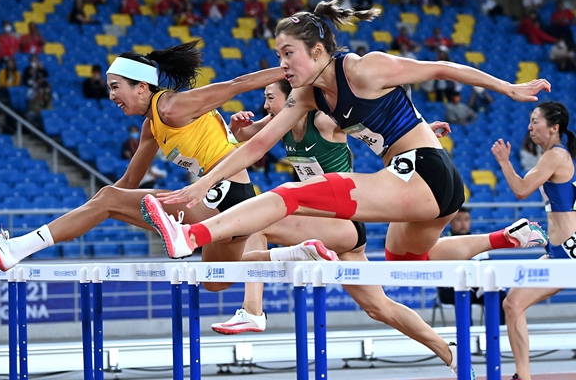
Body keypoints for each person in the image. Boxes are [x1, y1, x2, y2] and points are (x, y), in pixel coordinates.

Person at [143, 1, 549, 304]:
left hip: (425, 171)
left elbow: (443, 68)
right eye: (279, 55)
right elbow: (258, 144)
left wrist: (509, 89)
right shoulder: (305, 96)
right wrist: (204, 186)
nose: (282, 64)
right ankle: (504, 237)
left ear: (317, 52)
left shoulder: (365, 69)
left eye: (288, 54)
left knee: (292, 194)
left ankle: (191, 235)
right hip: (416, 185)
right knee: (408, 264)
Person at [214, 80, 543, 339]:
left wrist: (423, 131)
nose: (264, 105)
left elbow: (374, 121)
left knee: (256, 217)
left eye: (270, 98)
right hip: (315, 221)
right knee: (379, 306)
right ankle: (446, 349)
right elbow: (247, 138)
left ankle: (254, 308)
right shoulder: (280, 125)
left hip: (343, 220)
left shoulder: (324, 122)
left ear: (290, 99)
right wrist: (238, 124)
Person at [0, 40, 286, 294]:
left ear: (142, 87)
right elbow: (129, 182)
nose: (110, 96)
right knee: (215, 282)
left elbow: (239, 83)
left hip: (221, 193)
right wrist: (83, 217)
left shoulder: (174, 106)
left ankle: (16, 247)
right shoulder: (152, 126)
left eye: (116, 86)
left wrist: (291, 71)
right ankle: (294, 254)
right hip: (234, 201)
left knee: (107, 199)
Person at [492, 101, 576, 380]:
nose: (530, 126)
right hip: (559, 251)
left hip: (568, 253)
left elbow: (521, 189)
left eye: (536, 120)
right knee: (512, 304)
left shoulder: (556, 156)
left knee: (513, 304)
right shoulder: (553, 158)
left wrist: (504, 161)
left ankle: (523, 377)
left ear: (554, 128)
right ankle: (523, 378)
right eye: (529, 120)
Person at [436, 207, 507, 326]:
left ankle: (497, 333)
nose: (463, 223)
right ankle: (467, 337)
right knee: (465, 294)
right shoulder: (441, 243)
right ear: (450, 222)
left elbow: (487, 269)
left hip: (477, 288)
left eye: (466, 219)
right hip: (449, 289)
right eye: (459, 219)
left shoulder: (479, 243)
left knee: (498, 294)